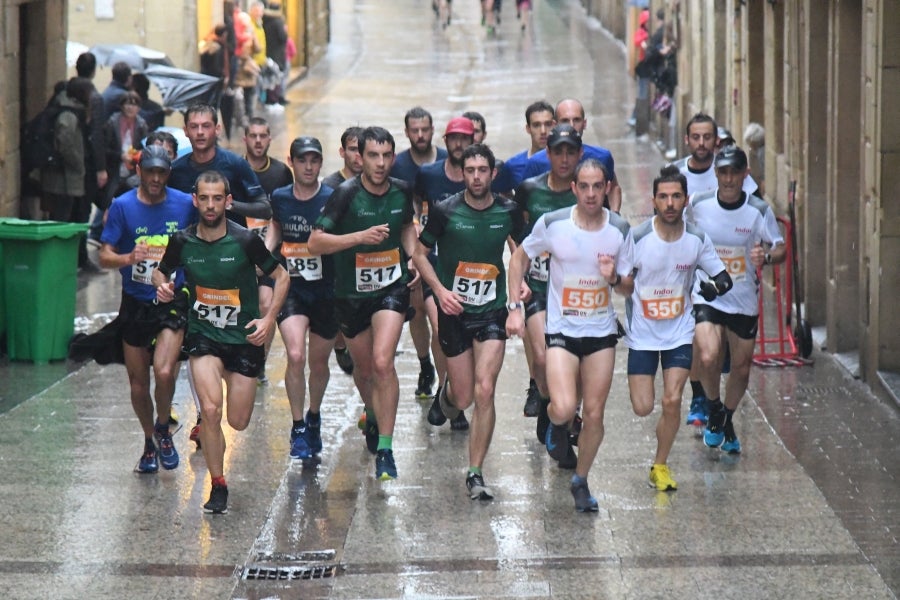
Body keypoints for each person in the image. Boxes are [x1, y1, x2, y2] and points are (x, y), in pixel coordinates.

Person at [153, 170, 288, 514]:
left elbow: (281, 275)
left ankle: (222, 429)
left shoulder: (245, 241)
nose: (210, 205)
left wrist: (268, 317)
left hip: (242, 339)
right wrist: (162, 285)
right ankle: (218, 484)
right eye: (204, 198)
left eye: (218, 198)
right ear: (195, 200)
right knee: (211, 412)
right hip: (204, 336)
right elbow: (161, 270)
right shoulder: (182, 241)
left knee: (238, 420)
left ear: (228, 202)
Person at [507, 159, 630, 512]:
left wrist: (614, 279)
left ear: (607, 188)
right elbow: (519, 259)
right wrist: (514, 307)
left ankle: (581, 479)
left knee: (594, 415)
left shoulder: (619, 229)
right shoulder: (553, 224)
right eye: (584, 186)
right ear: (574, 188)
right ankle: (557, 425)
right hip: (562, 330)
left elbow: (629, 286)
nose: (591, 194)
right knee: (562, 406)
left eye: (597, 187)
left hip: (601, 334)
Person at [413, 143, 523, 501]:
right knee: (461, 396)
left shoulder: (508, 210)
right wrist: (440, 290)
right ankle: (445, 400)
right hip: (454, 312)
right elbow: (419, 252)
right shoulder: (446, 210)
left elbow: (520, 252)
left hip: (491, 311)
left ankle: (475, 472)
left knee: (485, 389)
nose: (476, 177)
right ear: (462, 174)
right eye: (470, 170)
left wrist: (518, 291)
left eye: (483, 170)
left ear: (493, 173)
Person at [308, 126, 418, 481]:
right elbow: (315, 243)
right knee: (366, 369)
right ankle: (372, 412)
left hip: (391, 287)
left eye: (387, 156)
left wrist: (413, 256)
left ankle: (386, 448)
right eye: (373, 155)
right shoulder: (344, 194)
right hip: (350, 295)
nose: (381, 163)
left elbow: (406, 227)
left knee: (384, 362)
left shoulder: (402, 190)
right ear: (360, 156)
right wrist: (358, 238)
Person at [620, 165, 730, 491]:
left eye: (676, 197)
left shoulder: (697, 238)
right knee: (643, 407)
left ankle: (660, 464)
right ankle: (661, 439)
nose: (670, 203)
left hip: (680, 332)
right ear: (654, 201)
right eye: (664, 197)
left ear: (685, 201)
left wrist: (711, 289)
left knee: (672, 401)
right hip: (641, 334)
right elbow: (621, 281)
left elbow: (722, 278)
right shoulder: (637, 237)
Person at [98, 145, 197, 474]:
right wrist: (129, 258)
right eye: (150, 171)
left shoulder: (184, 203)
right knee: (138, 384)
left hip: (171, 298)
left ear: (168, 173)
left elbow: (207, 234)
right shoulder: (123, 206)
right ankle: (148, 440)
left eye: (162, 172)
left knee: (165, 371)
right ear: (139, 172)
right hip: (135, 302)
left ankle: (163, 426)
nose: (155, 178)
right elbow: (103, 256)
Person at [686, 145, 785, 454]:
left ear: (745, 174)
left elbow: (780, 247)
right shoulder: (698, 204)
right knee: (707, 356)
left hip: (742, 298)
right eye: (723, 172)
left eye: (734, 172)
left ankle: (724, 417)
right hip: (707, 295)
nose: (729, 179)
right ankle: (713, 406)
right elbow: (681, 233)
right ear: (716, 174)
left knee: (741, 367)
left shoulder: (758, 209)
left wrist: (766, 256)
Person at [266, 136, 336, 459]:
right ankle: (297, 426)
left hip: (325, 291)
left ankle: (315, 415)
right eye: (303, 160)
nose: (309, 166)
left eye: (314, 160)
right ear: (291, 162)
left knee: (318, 362)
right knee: (295, 354)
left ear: (321, 164)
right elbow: (275, 229)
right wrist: (263, 255)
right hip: (292, 288)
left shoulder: (333, 198)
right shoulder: (279, 197)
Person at [513, 124, 581, 445]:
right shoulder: (529, 189)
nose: (564, 159)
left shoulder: (587, 191)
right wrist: (519, 274)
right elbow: (518, 234)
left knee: (570, 360)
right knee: (541, 357)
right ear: (548, 154)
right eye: (558, 152)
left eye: (570, 152)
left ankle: (563, 413)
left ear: (579, 155)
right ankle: (545, 400)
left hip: (574, 292)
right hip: (537, 286)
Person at [416, 117, 477, 431]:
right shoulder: (428, 174)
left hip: (472, 275)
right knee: (442, 330)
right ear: (446, 140)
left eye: (464, 139)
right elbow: (414, 202)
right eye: (453, 138)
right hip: (437, 270)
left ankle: (454, 393)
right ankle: (446, 389)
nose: (458, 144)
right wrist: (417, 229)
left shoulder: (478, 178)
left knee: (466, 341)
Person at [390, 107, 446, 400]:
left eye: (425, 129)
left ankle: (444, 384)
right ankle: (425, 365)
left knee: (438, 318)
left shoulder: (448, 161)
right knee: (417, 309)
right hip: (409, 248)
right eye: (415, 130)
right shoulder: (398, 165)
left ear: (433, 128)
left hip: (441, 250)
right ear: (407, 131)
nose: (421, 135)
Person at [242, 116, 294, 385]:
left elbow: (285, 213)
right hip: (238, 253)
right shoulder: (236, 170)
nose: (258, 141)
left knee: (265, 303)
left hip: (270, 254)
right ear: (245, 139)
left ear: (270, 138)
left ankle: (259, 362)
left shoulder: (281, 173)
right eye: (254, 136)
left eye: (263, 136)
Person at [39, 77, 98, 273]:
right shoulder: (69, 115)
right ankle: (56, 263)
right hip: (63, 180)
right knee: (60, 222)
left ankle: (63, 262)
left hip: (67, 179)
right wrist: (78, 164)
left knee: (64, 220)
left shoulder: (72, 111)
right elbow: (65, 143)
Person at [522, 98, 622, 212]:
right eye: (565, 120)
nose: (571, 125)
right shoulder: (536, 162)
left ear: (584, 123)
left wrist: (614, 216)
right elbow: (526, 200)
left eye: (577, 120)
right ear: (554, 124)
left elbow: (613, 188)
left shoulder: (602, 157)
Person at [101, 92, 149, 208]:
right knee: (109, 202)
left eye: (134, 105)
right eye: (127, 104)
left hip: (132, 171)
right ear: (122, 106)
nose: (130, 107)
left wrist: (135, 156)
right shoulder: (112, 123)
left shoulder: (141, 125)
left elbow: (144, 148)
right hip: (114, 169)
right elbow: (104, 149)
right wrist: (120, 156)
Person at [503, 100, 555, 190]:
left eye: (548, 124)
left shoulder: (565, 163)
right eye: (536, 125)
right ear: (528, 128)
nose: (543, 131)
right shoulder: (512, 165)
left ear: (554, 125)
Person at [262, 1, 289, 105]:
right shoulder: (278, 22)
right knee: (277, 77)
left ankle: (271, 98)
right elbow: (283, 37)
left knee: (270, 76)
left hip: (268, 52)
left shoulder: (265, 20)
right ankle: (274, 99)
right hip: (277, 54)